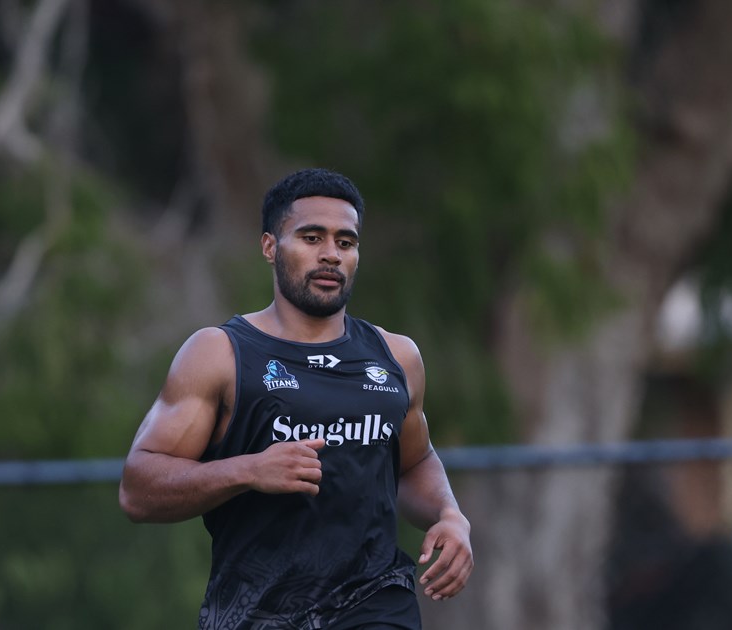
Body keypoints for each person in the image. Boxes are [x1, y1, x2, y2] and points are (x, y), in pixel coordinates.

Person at [119, 168, 474, 629]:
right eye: (311, 238)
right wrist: (247, 469)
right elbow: (138, 491)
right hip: (258, 613)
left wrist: (450, 515)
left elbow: (414, 461)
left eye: (345, 243)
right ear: (270, 247)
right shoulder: (219, 354)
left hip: (375, 601)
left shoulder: (397, 357)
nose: (330, 254)